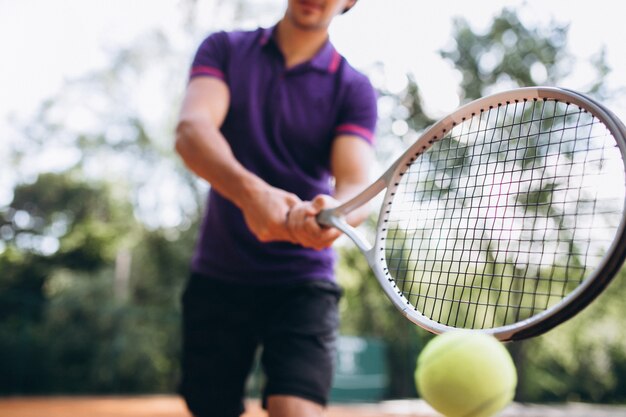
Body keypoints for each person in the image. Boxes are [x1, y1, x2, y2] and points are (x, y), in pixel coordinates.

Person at [174, 0, 377, 416]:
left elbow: (355, 185)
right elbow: (192, 132)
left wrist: (333, 215)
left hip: (302, 284)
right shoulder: (224, 49)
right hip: (219, 275)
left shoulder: (352, 88)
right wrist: (253, 195)